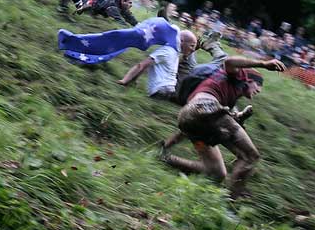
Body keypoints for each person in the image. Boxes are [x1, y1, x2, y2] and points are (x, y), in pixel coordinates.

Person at [160, 54, 286, 198]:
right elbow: (230, 61)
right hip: (206, 109)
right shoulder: (237, 76)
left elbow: (186, 127)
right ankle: (231, 201)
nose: (259, 91)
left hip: (190, 120)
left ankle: (164, 157)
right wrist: (263, 64)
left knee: (217, 172)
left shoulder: (226, 94)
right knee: (250, 156)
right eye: (258, 86)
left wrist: (166, 145)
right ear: (250, 80)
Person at [116, 30, 228, 100]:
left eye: (193, 46)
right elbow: (142, 65)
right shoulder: (167, 52)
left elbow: (172, 65)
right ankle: (212, 46)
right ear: (181, 41)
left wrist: (132, 80)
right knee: (222, 62)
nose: (193, 49)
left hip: (176, 88)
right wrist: (126, 80)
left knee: (190, 58)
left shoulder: (173, 52)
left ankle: (209, 45)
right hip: (176, 91)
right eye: (192, 46)